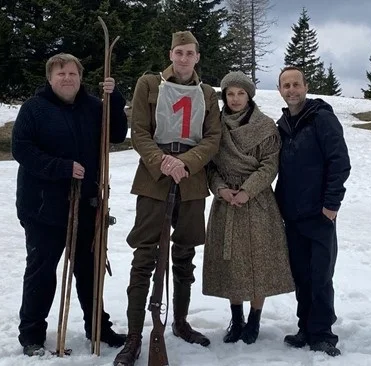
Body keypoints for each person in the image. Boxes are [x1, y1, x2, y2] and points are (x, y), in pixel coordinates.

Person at [113, 31, 221, 366]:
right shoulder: (149, 84)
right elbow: (140, 131)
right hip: (153, 179)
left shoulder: (207, 94)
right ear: (170, 54)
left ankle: (180, 322)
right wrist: (163, 162)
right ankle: (134, 336)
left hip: (191, 180)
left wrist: (185, 163)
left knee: (184, 252)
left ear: (197, 57)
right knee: (145, 254)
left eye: (189, 53)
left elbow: (213, 136)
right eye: (178, 52)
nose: (184, 58)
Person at [11, 53, 128, 356]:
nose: (67, 78)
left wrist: (114, 98)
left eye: (72, 73)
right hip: (43, 207)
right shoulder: (34, 109)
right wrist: (61, 167)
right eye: (60, 73)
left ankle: (97, 328)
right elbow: (21, 149)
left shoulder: (93, 107)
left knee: (90, 271)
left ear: (80, 77)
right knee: (42, 270)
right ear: (50, 78)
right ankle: (32, 334)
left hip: (87, 204)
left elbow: (116, 134)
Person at [202, 71, 294, 345]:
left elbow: (270, 164)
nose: (235, 98)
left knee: (258, 263)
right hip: (226, 202)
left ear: (249, 95)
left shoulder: (265, 126)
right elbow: (210, 165)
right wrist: (220, 189)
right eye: (230, 93)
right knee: (231, 264)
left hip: (257, 203)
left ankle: (254, 319)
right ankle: (237, 318)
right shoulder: (214, 126)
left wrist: (247, 191)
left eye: (241, 93)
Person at [275, 66, 351, 357]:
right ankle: (305, 327)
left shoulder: (322, 119)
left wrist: (331, 204)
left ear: (306, 87)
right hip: (292, 214)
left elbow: (339, 162)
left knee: (320, 275)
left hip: (320, 214)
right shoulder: (282, 125)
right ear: (280, 90)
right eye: (286, 85)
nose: (291, 89)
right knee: (301, 274)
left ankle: (322, 333)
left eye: (296, 84)